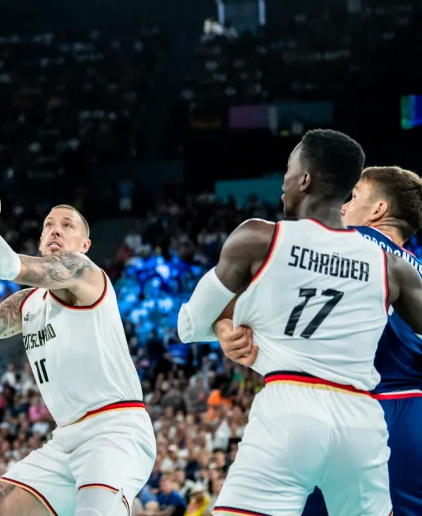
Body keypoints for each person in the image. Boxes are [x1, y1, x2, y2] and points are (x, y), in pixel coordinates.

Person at [176, 130, 422, 516]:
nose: (283, 181)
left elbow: (189, 326)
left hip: (289, 409)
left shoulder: (260, 237)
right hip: (362, 420)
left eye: (289, 170)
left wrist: (225, 329)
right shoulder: (391, 267)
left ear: (304, 179)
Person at [0, 202, 154, 516]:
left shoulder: (84, 272)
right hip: (65, 441)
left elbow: (7, 265)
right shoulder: (28, 302)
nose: (56, 229)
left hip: (115, 432)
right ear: (40, 241)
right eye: (49, 224)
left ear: (85, 245)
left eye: (67, 225)